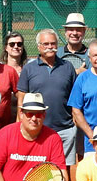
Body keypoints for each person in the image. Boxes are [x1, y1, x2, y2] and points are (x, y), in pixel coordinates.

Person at [16, 29, 78, 170]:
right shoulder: (29, 69)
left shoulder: (67, 67)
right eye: (45, 44)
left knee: (65, 168)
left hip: (65, 128)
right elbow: (22, 98)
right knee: (39, 168)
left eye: (53, 43)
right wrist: (21, 122)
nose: (50, 47)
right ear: (39, 46)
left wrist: (74, 117)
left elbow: (74, 96)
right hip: (37, 129)